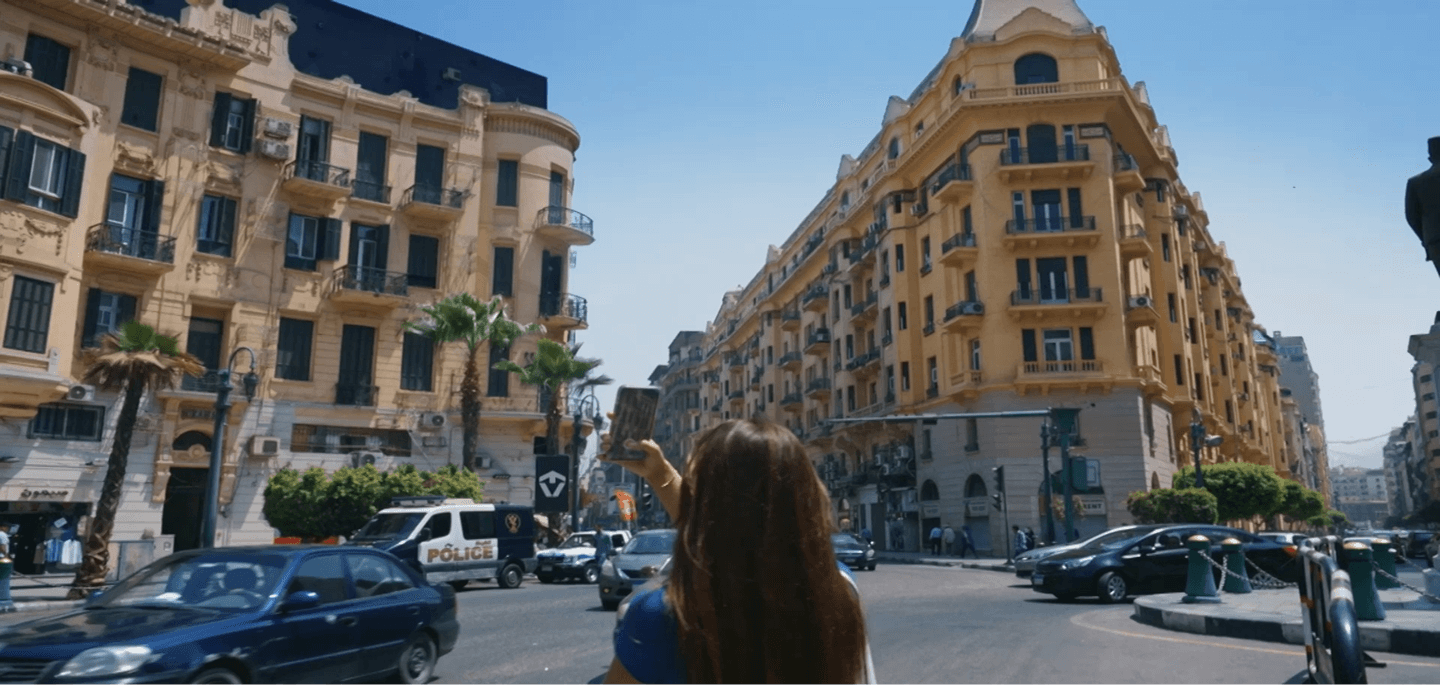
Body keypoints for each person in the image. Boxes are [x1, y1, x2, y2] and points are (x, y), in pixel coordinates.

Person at [599, 418, 874, 684]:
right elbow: (744, 527)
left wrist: (662, 476)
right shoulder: (838, 590)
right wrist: (660, 475)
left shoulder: (663, 618)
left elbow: (716, 532)